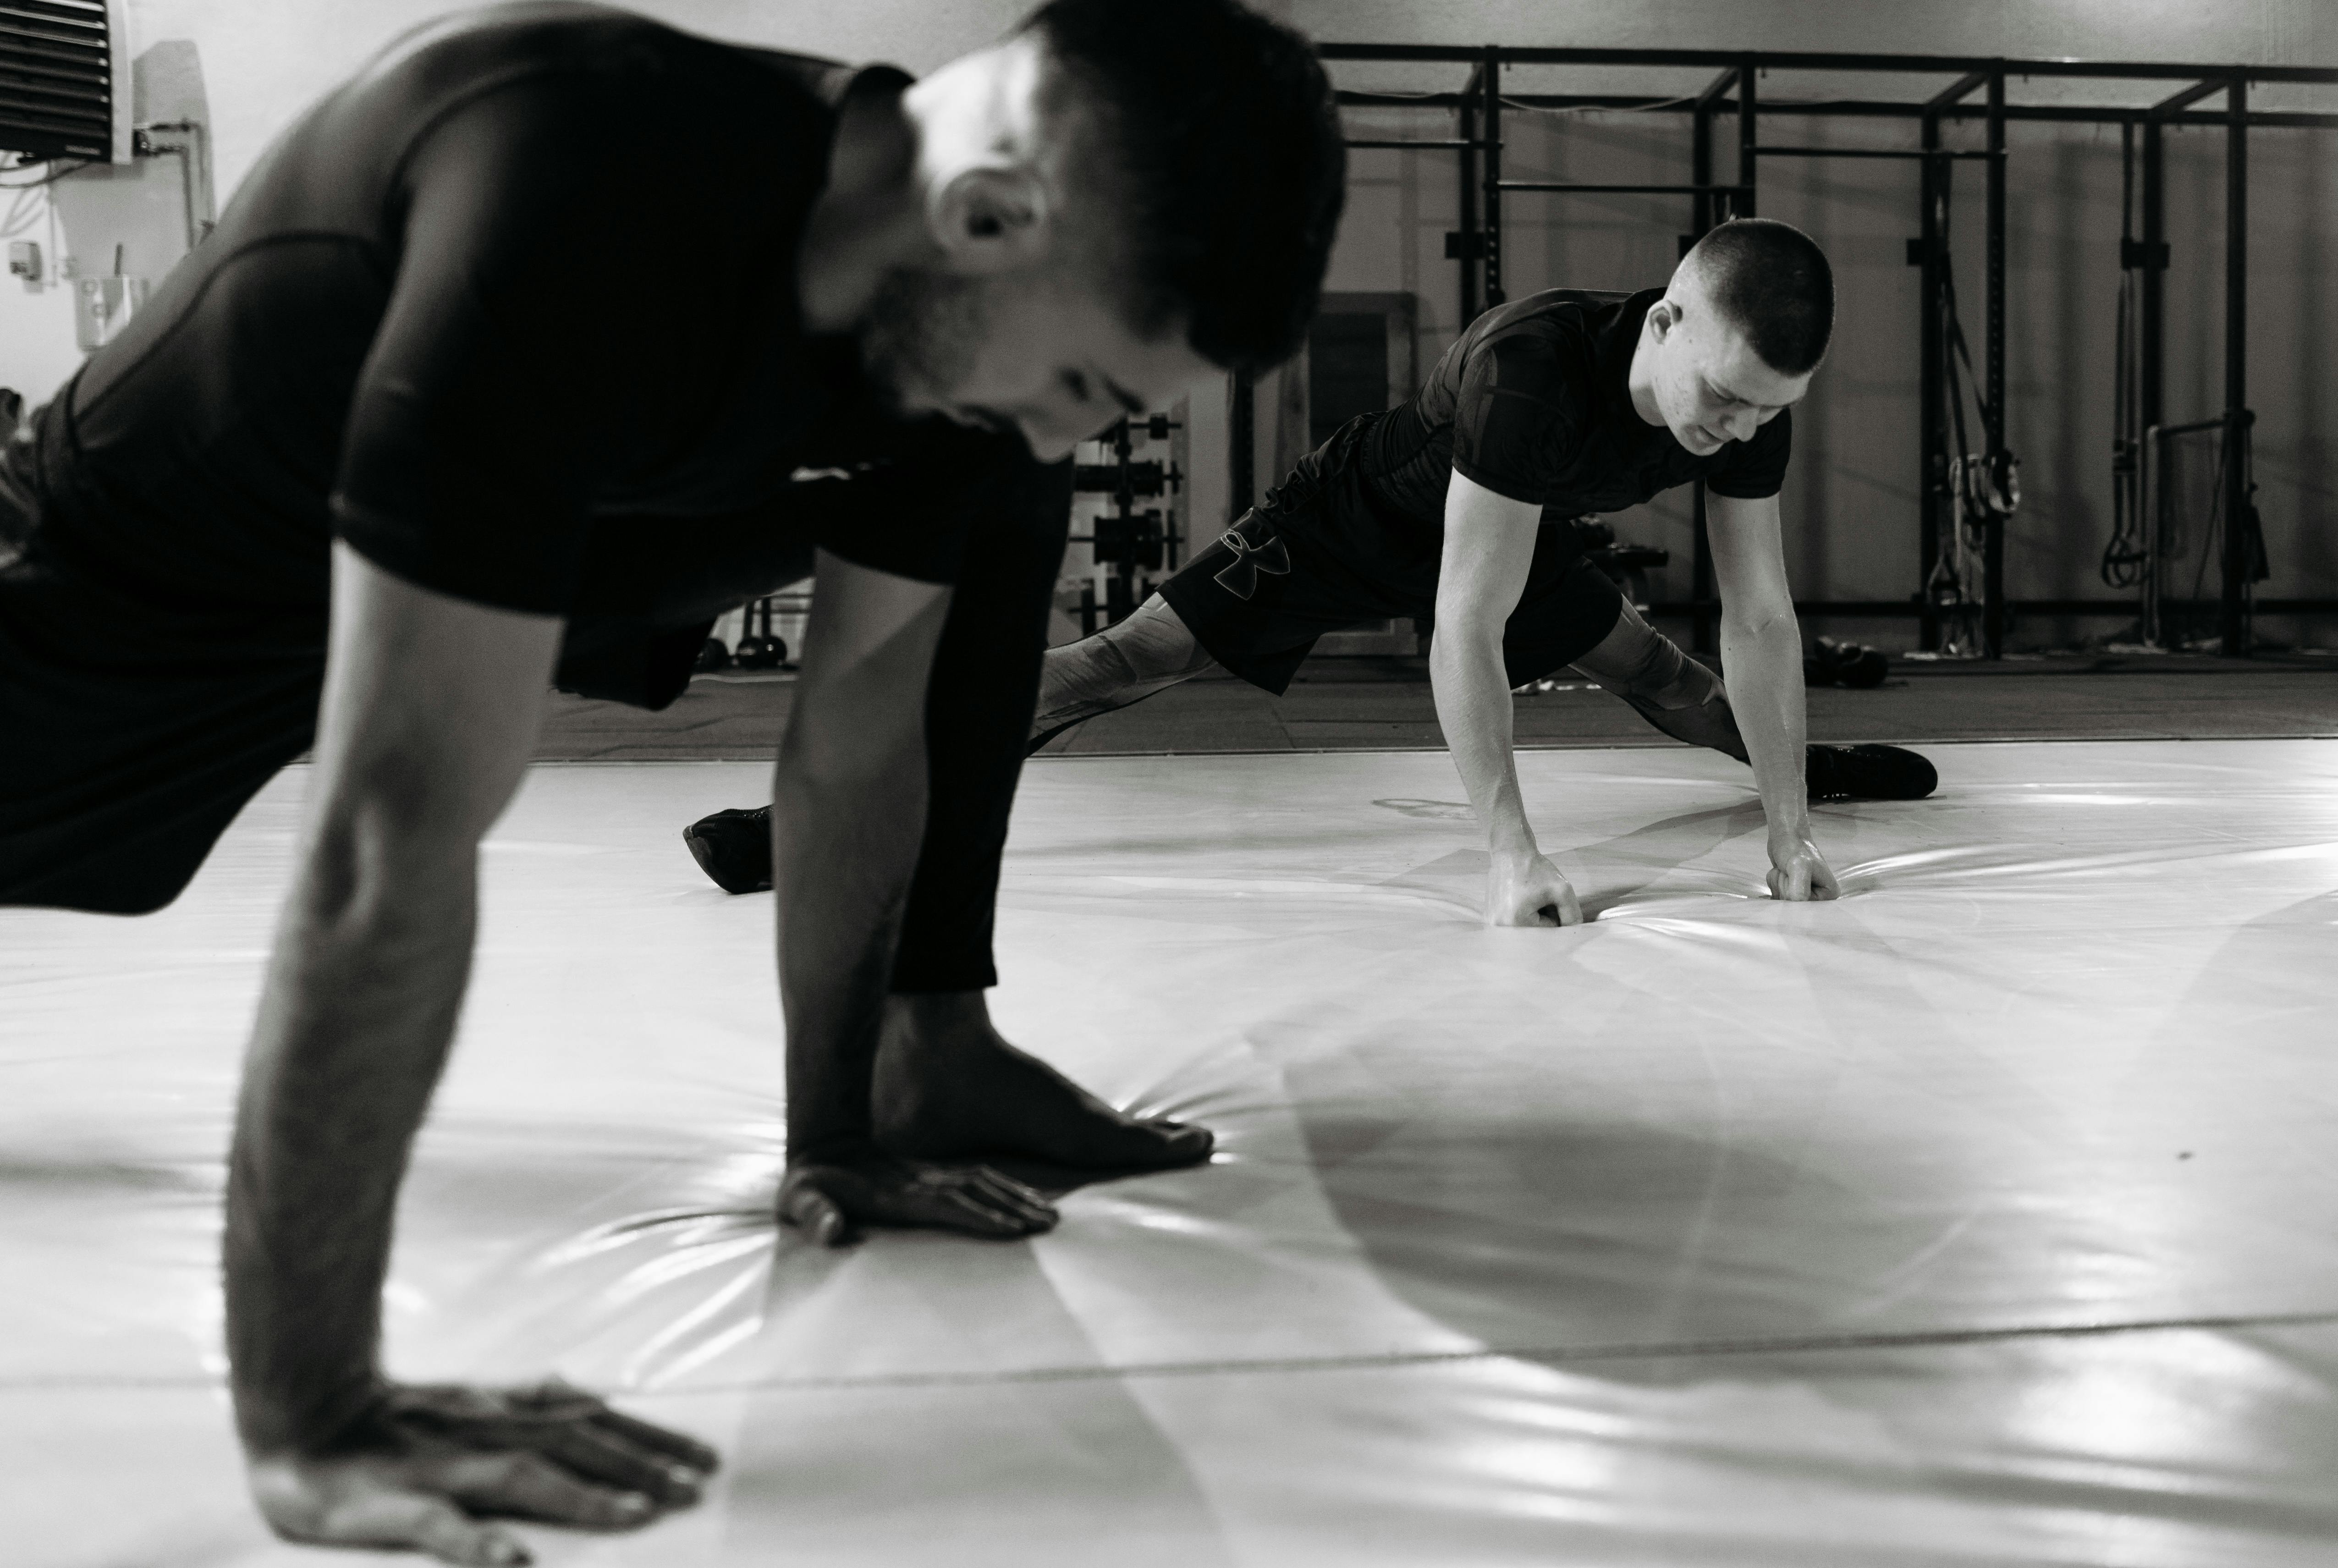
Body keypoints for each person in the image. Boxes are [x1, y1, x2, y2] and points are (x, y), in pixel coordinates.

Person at [0, 0, 1344, 1559]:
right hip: (151, 577)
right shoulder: (573, 173)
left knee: (995, 504)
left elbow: (853, 740)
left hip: (587, 514)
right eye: (1090, 388)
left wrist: (830, 1139)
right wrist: (318, 1410)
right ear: (988, 214)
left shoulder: (951, 314)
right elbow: (390, 843)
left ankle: (915, 1064)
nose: (1070, 431)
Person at [686, 221, 1933, 925]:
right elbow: (1464, 624)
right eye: (1721, 400)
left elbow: (1759, 617)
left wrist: (1789, 830)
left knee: (1668, 677)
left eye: (1767, 412)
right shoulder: (1530, 372)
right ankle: (819, 818)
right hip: (1355, 513)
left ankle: (1805, 771)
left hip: (1517, 526)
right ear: (1665, 321)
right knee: (1113, 667)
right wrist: (1511, 853)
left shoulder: (1748, 403)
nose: (1733, 431)